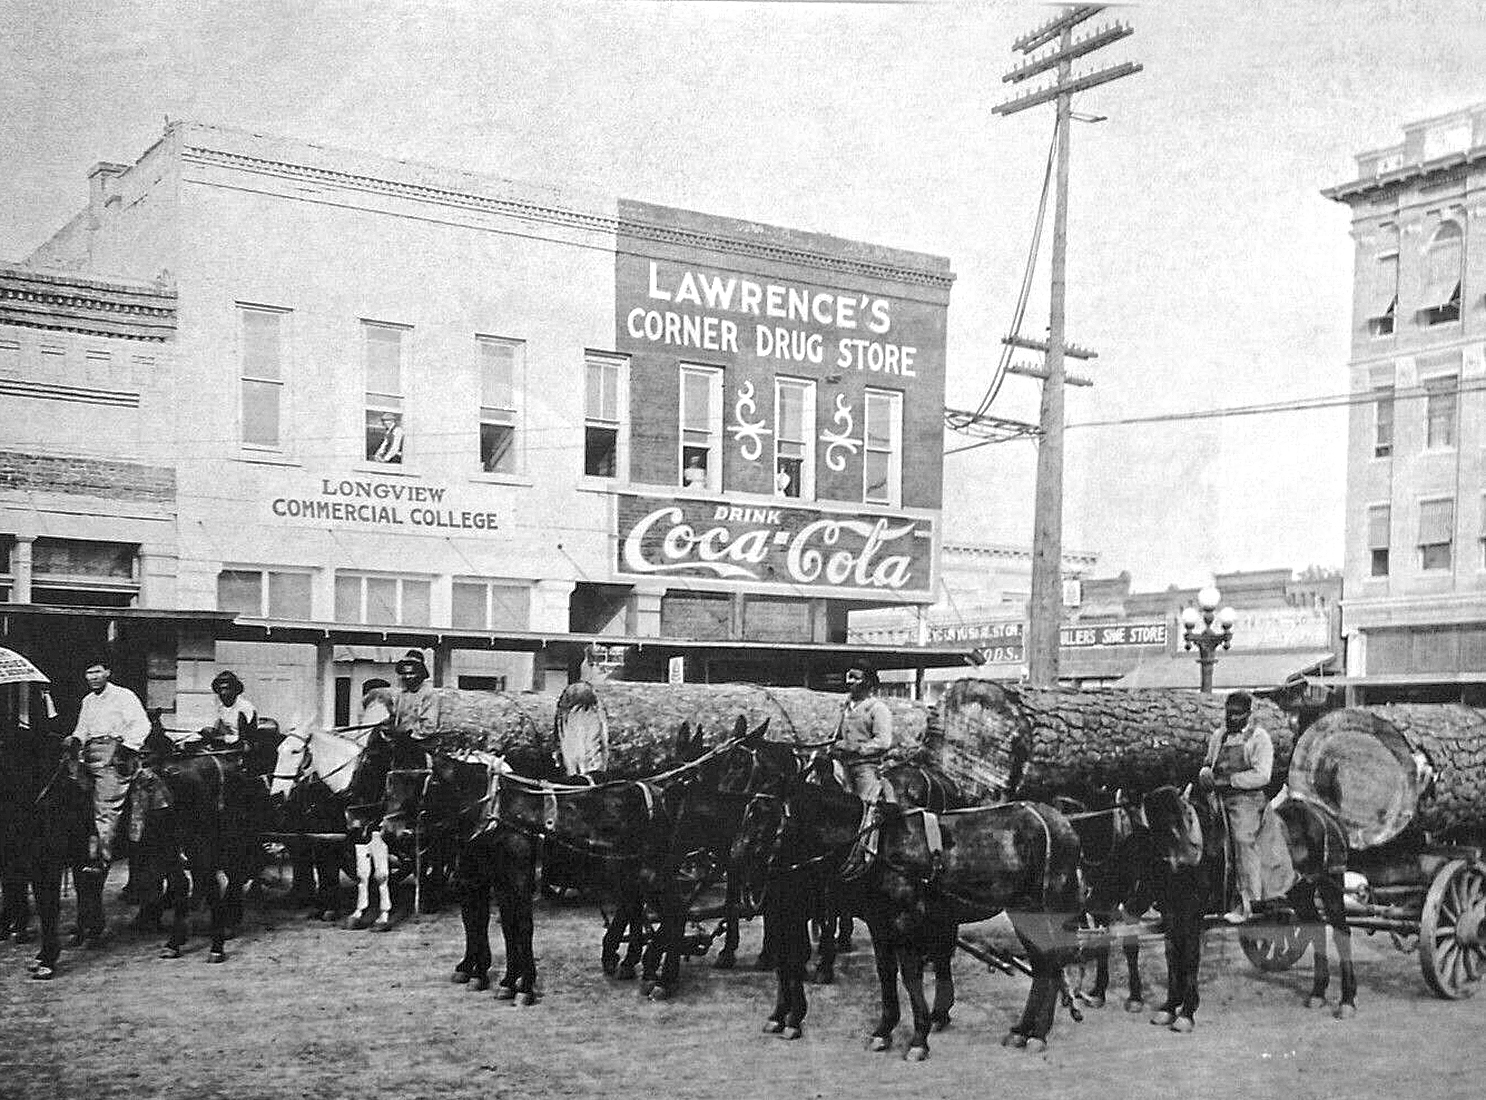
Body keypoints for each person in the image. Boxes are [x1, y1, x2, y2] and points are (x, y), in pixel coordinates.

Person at [64, 657, 150, 868]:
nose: (93, 677)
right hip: (89, 752)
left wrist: (126, 748)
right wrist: (74, 739)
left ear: (107, 672)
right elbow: (82, 729)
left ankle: (102, 856)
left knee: (106, 802)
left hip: (115, 753)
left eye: (97, 672)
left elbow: (141, 724)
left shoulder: (123, 696)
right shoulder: (88, 701)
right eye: (89, 673)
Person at [1199, 691, 1277, 924]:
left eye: (1237, 714)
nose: (1231, 719)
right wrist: (1205, 773)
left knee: (1243, 841)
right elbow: (1208, 762)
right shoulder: (1219, 736)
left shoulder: (1259, 738)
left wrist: (1231, 781)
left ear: (1248, 715)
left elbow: (1263, 775)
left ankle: (1249, 901)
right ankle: (1210, 897)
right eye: (1228, 713)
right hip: (1218, 799)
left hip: (1248, 801)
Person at [833, 658, 895, 803]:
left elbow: (883, 742)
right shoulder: (845, 707)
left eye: (855, 678)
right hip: (842, 765)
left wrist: (855, 748)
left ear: (867, 682)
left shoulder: (877, 709)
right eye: (849, 677)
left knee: (864, 804)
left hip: (865, 766)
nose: (850, 681)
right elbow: (837, 735)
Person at [390, 652, 440, 764]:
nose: (407, 677)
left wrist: (408, 735)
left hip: (422, 742)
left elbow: (429, 726)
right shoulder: (401, 695)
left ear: (421, 674)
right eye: (404, 673)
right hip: (401, 741)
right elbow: (396, 719)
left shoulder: (429, 694)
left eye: (412, 673)